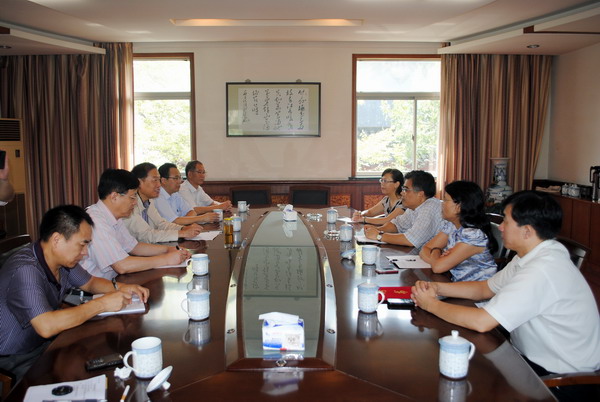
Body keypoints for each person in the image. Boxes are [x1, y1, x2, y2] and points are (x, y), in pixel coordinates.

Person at [412, 191, 600, 381]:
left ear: (527, 231)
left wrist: (431, 305)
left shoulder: (543, 269)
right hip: (524, 358)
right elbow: (485, 289)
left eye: (506, 222)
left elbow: (482, 322)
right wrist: (437, 288)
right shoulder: (530, 255)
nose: (500, 227)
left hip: (561, 379)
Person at [0, 205, 149, 381]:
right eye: (82, 244)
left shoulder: (61, 260)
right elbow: (46, 326)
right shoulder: (25, 269)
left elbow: (90, 283)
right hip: (15, 358)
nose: (85, 253)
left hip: (45, 343)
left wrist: (122, 287)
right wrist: (102, 304)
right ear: (57, 239)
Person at [80, 169, 190, 279]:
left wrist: (168, 250)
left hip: (115, 280)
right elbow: (122, 266)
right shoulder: (95, 221)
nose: (135, 202)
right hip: (95, 288)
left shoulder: (114, 216)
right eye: (132, 197)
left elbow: (134, 246)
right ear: (114, 197)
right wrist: (166, 259)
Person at [419, 180, 497, 282]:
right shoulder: (452, 225)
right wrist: (438, 255)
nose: (442, 204)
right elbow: (425, 249)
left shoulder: (473, 235)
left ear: (459, 206)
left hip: (476, 289)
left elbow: (438, 267)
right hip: (456, 283)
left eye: (445, 200)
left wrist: (436, 251)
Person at [123, 163, 202, 243]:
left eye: (159, 180)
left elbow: (161, 224)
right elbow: (145, 235)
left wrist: (183, 228)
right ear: (139, 182)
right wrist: (181, 233)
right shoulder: (131, 204)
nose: (159, 185)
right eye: (155, 180)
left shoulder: (149, 201)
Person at [364, 170, 442, 248]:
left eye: (405, 190)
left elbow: (411, 240)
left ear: (420, 194)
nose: (401, 193)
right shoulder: (413, 207)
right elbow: (397, 225)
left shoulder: (430, 207)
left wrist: (379, 236)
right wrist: (377, 229)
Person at [154, 163, 219, 225]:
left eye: (180, 178)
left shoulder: (175, 194)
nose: (179, 181)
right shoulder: (158, 196)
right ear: (163, 180)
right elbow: (174, 221)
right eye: (176, 178)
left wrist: (185, 222)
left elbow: (191, 211)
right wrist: (201, 218)